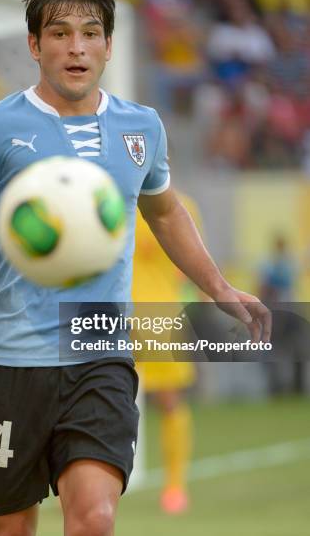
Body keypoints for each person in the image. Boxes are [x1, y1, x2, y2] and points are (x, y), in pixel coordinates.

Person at [0, 0, 271, 536]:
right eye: (59, 34)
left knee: (94, 520)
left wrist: (218, 286)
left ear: (108, 44)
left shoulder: (142, 127)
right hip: (11, 363)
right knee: (10, 529)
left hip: (100, 354)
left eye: (89, 33)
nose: (75, 47)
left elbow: (165, 211)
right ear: (35, 45)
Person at [133, 195, 200, 515]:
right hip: (124, 316)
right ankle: (174, 488)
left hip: (157, 317)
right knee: (93, 398)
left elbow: (190, 263)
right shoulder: (112, 201)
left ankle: (175, 486)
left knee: (169, 401)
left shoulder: (181, 205)